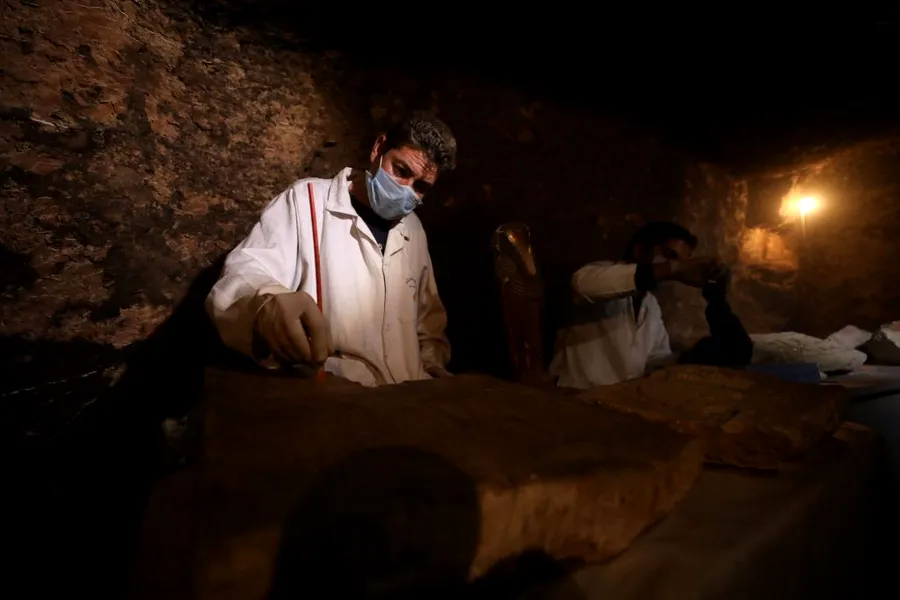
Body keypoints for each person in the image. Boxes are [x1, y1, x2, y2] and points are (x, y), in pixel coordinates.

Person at [206, 112, 456, 386]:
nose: (406, 190)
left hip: (405, 398)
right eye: (401, 170)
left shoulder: (414, 229)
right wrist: (266, 303)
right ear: (378, 148)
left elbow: (428, 325)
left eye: (420, 187)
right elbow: (243, 273)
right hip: (336, 397)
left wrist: (433, 372)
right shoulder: (306, 201)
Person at [549, 221, 752, 389]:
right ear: (640, 250)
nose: (679, 267)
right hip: (574, 398)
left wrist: (687, 359)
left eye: (683, 261)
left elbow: (653, 360)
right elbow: (583, 285)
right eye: (670, 255)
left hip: (614, 404)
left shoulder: (650, 305)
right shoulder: (597, 275)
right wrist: (674, 268)